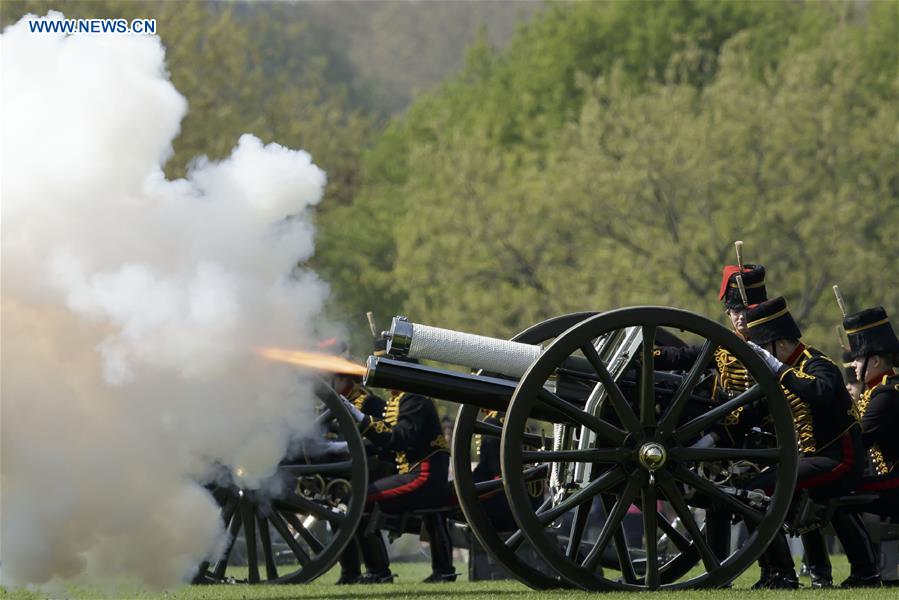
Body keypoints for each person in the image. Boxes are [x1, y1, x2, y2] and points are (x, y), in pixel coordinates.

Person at [744, 297, 879, 588]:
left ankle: (783, 575)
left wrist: (778, 369)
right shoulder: (783, 372)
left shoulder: (817, 363)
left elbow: (820, 391)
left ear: (778, 345)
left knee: (758, 491)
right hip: (813, 459)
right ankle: (774, 571)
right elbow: (754, 411)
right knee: (749, 491)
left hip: (840, 460)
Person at [341, 371, 457, 583]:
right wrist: (341, 447)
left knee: (359, 499)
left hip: (423, 475)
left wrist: (362, 420)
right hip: (415, 473)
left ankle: (378, 572)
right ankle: (443, 570)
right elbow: (386, 446)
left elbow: (398, 439)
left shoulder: (414, 398)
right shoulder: (400, 399)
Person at [844, 307, 899, 520]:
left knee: (839, 492)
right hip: (889, 478)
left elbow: (859, 437)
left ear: (875, 361)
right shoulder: (876, 391)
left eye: (858, 359)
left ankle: (862, 556)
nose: (854, 365)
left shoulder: (887, 394)